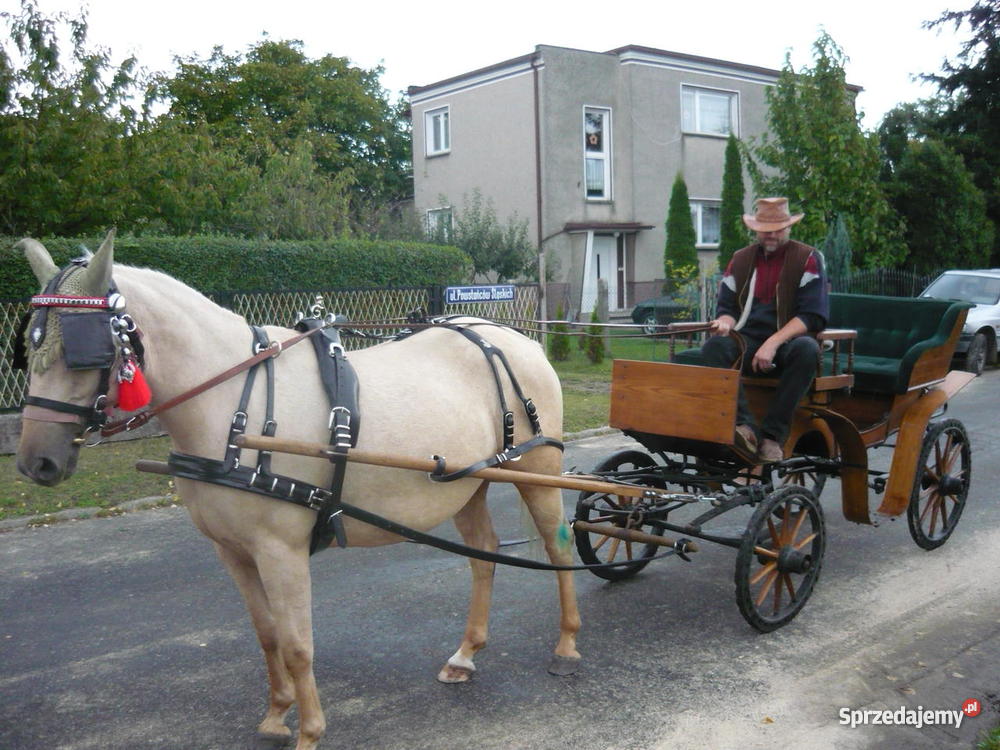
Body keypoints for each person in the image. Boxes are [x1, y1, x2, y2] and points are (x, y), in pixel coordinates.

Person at [701, 197, 829, 463]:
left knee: (806, 350)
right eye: (764, 230)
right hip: (747, 340)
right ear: (755, 229)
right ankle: (745, 428)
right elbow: (727, 308)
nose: (770, 235)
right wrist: (724, 322)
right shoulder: (740, 259)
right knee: (715, 346)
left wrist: (772, 343)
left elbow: (812, 315)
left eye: (777, 229)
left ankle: (772, 436)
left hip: (789, 343)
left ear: (789, 228)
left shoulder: (808, 258)